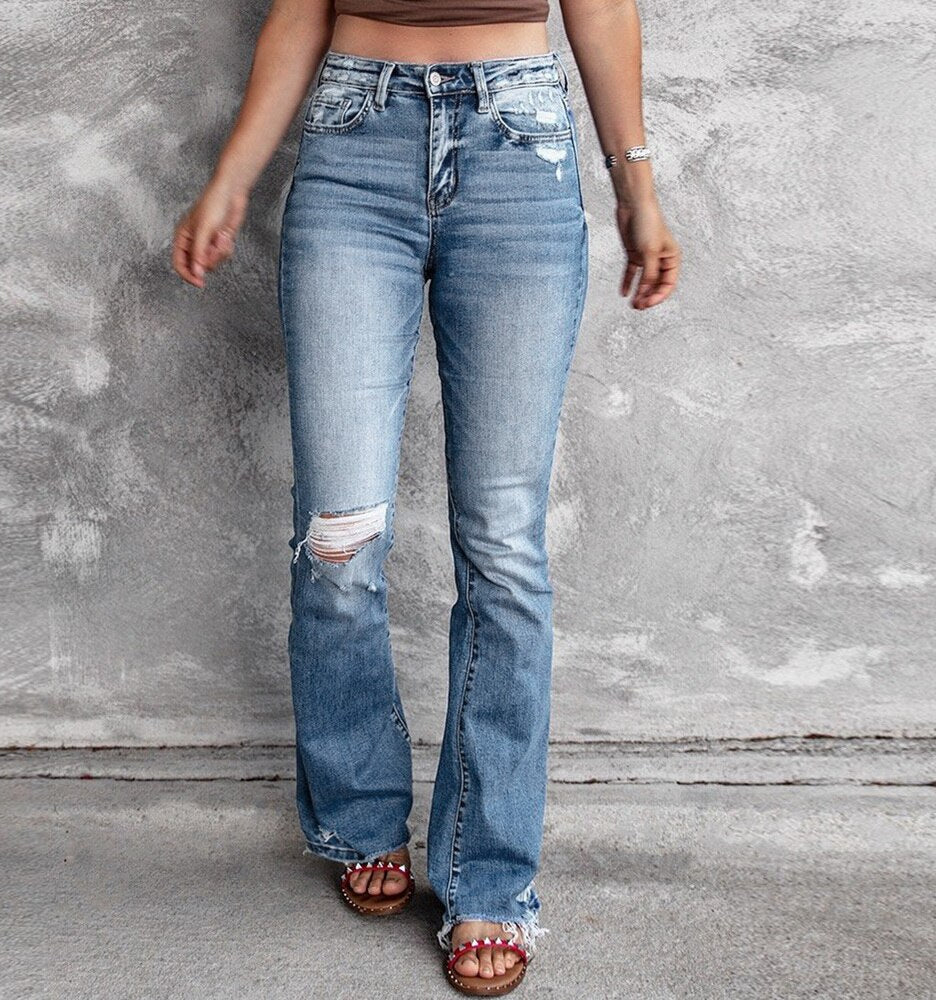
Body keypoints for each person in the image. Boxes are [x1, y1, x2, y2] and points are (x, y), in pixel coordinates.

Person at [172, 0, 680, 993]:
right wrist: (231, 178)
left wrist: (637, 186)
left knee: (504, 550)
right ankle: (362, 818)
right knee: (339, 538)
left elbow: (601, 6)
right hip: (354, 145)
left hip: (518, 147)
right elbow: (302, 10)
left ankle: (489, 873)